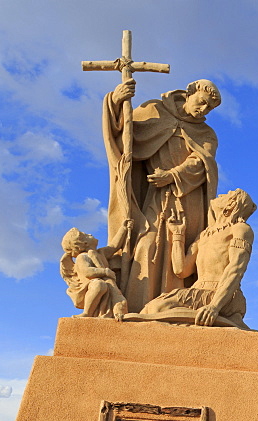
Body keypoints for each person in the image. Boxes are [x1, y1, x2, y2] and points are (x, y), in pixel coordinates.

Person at [102, 78, 222, 311]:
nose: (203, 110)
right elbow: (123, 135)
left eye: (209, 108)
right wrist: (117, 101)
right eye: (202, 102)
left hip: (188, 199)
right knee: (146, 245)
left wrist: (173, 174)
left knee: (180, 255)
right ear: (190, 92)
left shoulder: (206, 134)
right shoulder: (155, 110)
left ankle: (171, 309)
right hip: (154, 196)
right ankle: (137, 308)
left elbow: (202, 163)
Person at [125, 189, 256, 328]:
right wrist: (178, 234)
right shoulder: (204, 235)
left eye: (228, 194)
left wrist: (214, 307)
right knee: (151, 309)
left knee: (157, 309)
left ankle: (225, 320)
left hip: (224, 296)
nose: (224, 193)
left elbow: (236, 269)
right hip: (198, 292)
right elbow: (181, 270)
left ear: (231, 204)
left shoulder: (240, 229)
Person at [60, 222, 131, 320]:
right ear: (83, 244)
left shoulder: (101, 253)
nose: (90, 234)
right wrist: (105, 272)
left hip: (109, 285)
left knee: (119, 300)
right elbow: (88, 272)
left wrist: (123, 229)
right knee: (99, 285)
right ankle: (87, 313)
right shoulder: (82, 257)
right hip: (91, 285)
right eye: (86, 235)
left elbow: (114, 246)